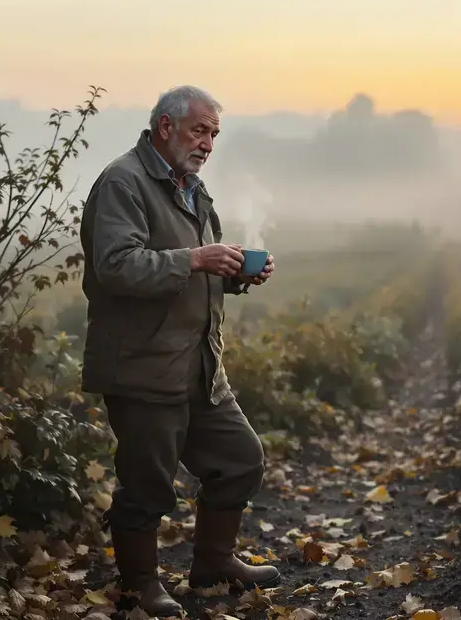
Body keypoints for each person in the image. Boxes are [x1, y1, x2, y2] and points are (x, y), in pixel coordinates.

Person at [79, 85, 281, 616]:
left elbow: (195, 270)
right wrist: (195, 258)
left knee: (240, 460)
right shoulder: (123, 181)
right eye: (200, 131)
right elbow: (116, 266)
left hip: (200, 365)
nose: (208, 144)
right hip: (142, 365)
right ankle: (139, 585)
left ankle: (213, 564)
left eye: (214, 134)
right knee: (147, 485)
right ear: (165, 127)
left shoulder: (192, 187)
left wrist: (234, 273)